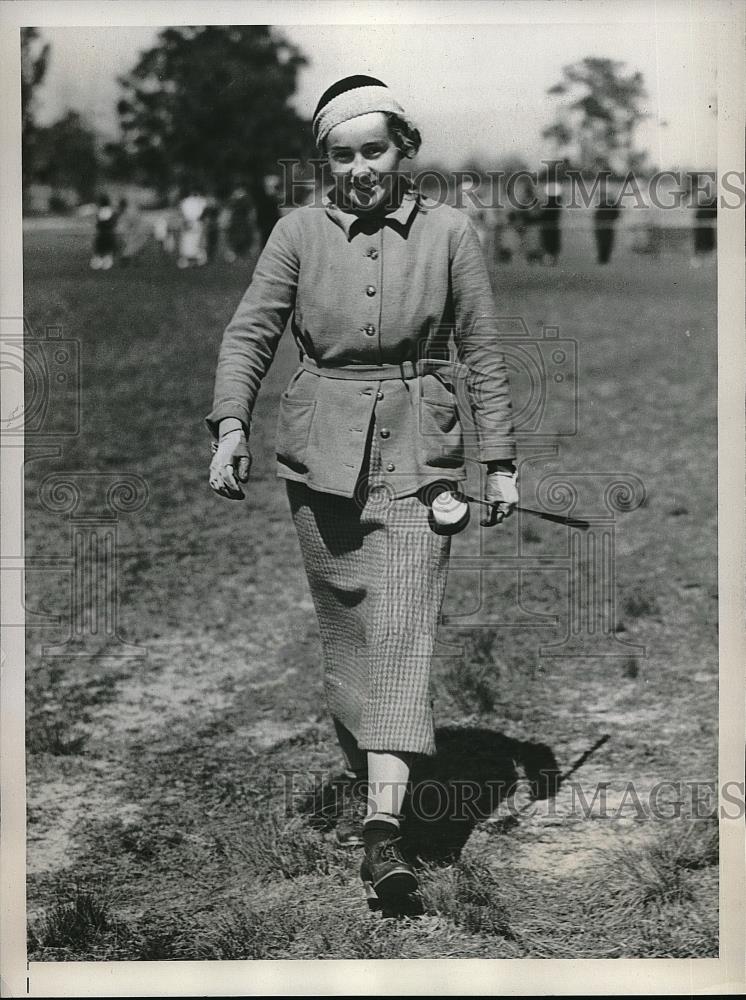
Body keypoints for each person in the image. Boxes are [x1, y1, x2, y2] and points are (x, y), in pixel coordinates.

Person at [206, 75, 518, 907]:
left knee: (402, 631)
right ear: (324, 162)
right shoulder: (296, 233)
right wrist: (230, 424)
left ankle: (386, 833)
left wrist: (501, 462)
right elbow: (251, 332)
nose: (359, 169)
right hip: (320, 460)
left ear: (403, 149)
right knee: (350, 636)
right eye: (341, 155)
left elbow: (484, 351)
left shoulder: (451, 232)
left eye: (373, 150)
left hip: (425, 458)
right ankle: (374, 783)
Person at [177, 188, 208, 268]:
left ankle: (188, 258)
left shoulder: (185, 201)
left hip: (188, 222)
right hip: (195, 222)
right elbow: (204, 211)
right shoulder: (201, 201)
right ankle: (199, 258)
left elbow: (181, 212)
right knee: (195, 240)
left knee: (189, 239)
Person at [115, 197, 150, 266]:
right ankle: (132, 260)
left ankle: (129, 260)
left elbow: (134, 223)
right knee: (133, 247)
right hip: (132, 233)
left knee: (132, 247)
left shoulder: (126, 213)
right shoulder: (126, 213)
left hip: (133, 233)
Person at [594, 185, 622, 264]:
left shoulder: (610, 204)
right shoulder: (603, 203)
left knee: (606, 242)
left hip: (607, 226)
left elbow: (617, 214)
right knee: (603, 242)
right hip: (603, 226)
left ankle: (604, 258)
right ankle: (603, 258)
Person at [90, 194, 117, 270]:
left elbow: (98, 224)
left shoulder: (99, 211)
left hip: (102, 233)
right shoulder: (112, 211)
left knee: (98, 250)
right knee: (108, 250)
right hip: (110, 233)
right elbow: (113, 222)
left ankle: (97, 264)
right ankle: (107, 264)